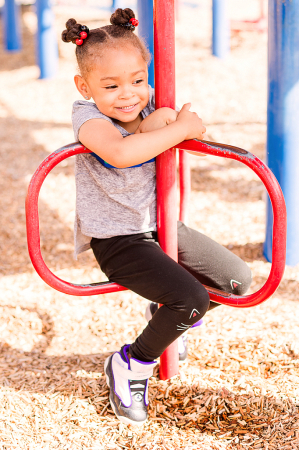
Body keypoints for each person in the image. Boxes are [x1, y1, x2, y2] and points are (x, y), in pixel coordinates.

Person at [61, 8, 252, 427]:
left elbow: (155, 132)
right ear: (85, 86)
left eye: (138, 81)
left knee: (236, 281)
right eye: (110, 86)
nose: (128, 94)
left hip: (160, 225)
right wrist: (180, 128)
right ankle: (132, 363)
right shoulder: (88, 119)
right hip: (118, 240)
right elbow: (122, 151)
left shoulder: (143, 113)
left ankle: (162, 319)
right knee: (191, 300)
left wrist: (174, 122)